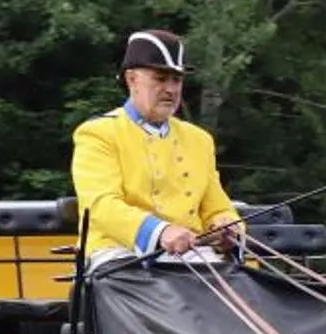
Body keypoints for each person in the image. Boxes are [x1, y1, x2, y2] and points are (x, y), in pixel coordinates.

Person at [71, 29, 244, 263]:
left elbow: (216, 207)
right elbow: (101, 206)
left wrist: (226, 226)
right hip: (118, 256)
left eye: (177, 79)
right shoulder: (98, 133)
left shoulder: (199, 140)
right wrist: (159, 231)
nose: (171, 89)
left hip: (191, 256)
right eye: (160, 78)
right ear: (132, 79)